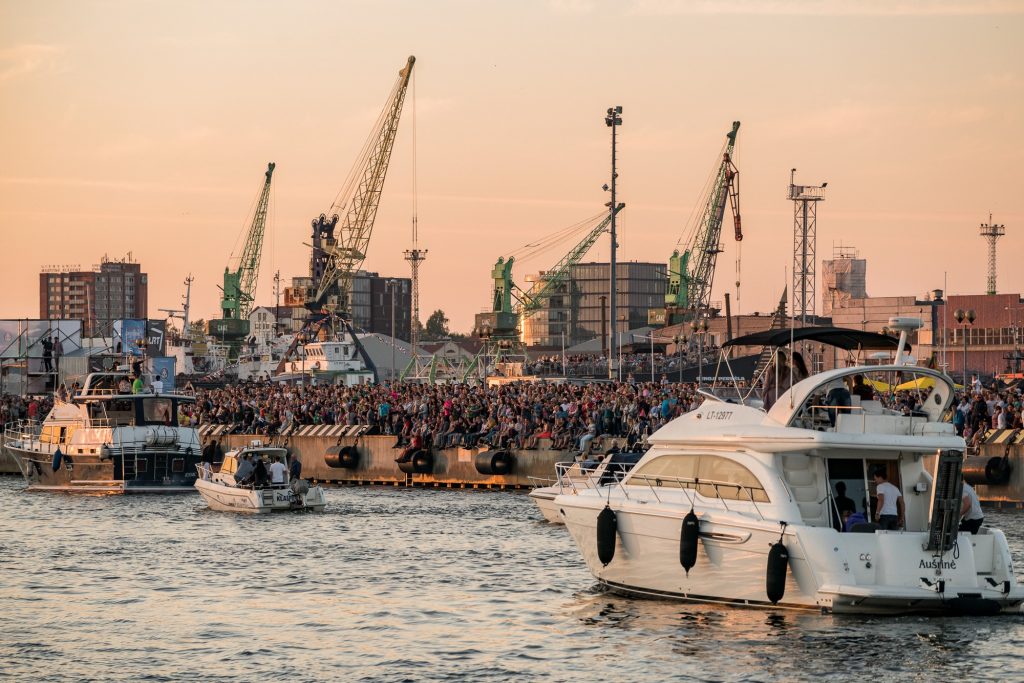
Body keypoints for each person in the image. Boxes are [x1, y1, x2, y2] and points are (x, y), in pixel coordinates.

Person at [872, 466, 904, 530]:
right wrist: (902, 517)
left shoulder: (880, 486)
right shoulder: (895, 488)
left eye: (875, 479)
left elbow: (881, 500)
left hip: (884, 516)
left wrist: (877, 513)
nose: (875, 481)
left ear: (880, 477)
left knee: (883, 537)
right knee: (894, 537)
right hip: (894, 516)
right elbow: (902, 503)